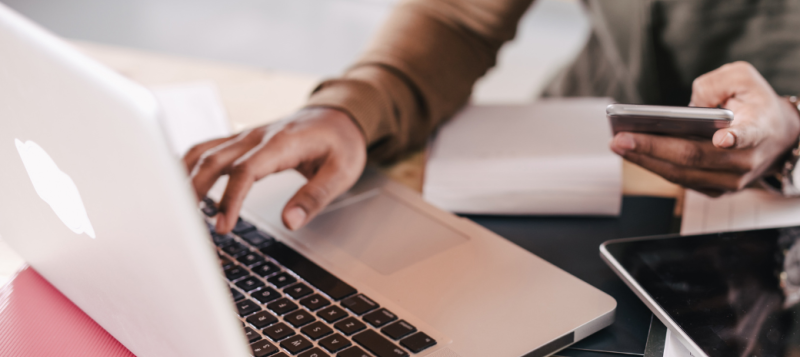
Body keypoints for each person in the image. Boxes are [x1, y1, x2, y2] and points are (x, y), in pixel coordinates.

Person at [184, 0, 800, 234]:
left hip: (775, 221)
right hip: (573, 150)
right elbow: (461, 15)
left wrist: (792, 135)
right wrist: (351, 108)